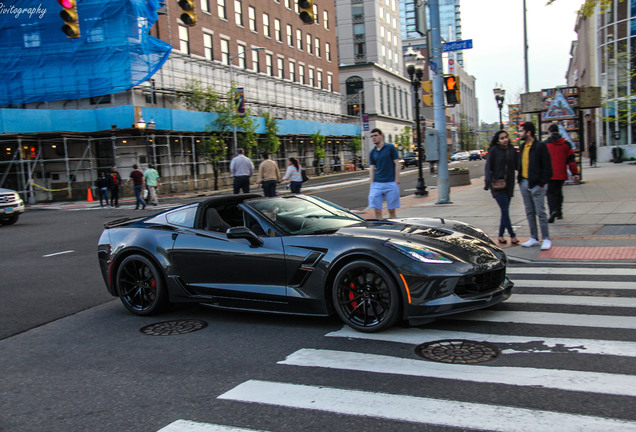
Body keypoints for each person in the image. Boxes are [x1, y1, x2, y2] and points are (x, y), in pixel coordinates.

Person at [517, 122, 553, 250]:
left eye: (521, 131)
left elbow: (547, 167)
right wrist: (520, 179)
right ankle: (533, 237)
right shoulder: (522, 147)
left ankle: (546, 238)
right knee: (529, 211)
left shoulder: (540, 146)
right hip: (524, 182)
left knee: (540, 212)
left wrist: (542, 183)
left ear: (528, 132)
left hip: (537, 184)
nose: (519, 133)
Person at [484, 130, 519, 245]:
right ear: (497, 140)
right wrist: (488, 182)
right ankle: (512, 235)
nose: (505, 140)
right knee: (504, 210)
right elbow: (488, 166)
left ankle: (500, 235)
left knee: (505, 211)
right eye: (502, 138)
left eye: (506, 137)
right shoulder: (494, 151)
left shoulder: (512, 150)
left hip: (509, 184)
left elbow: (517, 165)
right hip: (497, 184)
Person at [546, 123, 580, 223]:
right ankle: (559, 212)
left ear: (549, 132)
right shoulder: (566, 144)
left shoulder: (545, 144)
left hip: (550, 174)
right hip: (561, 173)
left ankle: (552, 210)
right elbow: (571, 160)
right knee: (558, 192)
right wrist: (575, 173)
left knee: (550, 193)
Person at [368, 128, 400, 219]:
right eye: (372, 136)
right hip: (377, 183)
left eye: (375, 135)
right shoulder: (372, 152)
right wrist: (371, 181)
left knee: (391, 210)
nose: (373, 138)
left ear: (381, 136)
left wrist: (397, 179)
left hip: (390, 182)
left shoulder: (390, 148)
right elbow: (372, 167)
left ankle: (394, 227)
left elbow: (397, 163)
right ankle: (380, 227)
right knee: (377, 209)